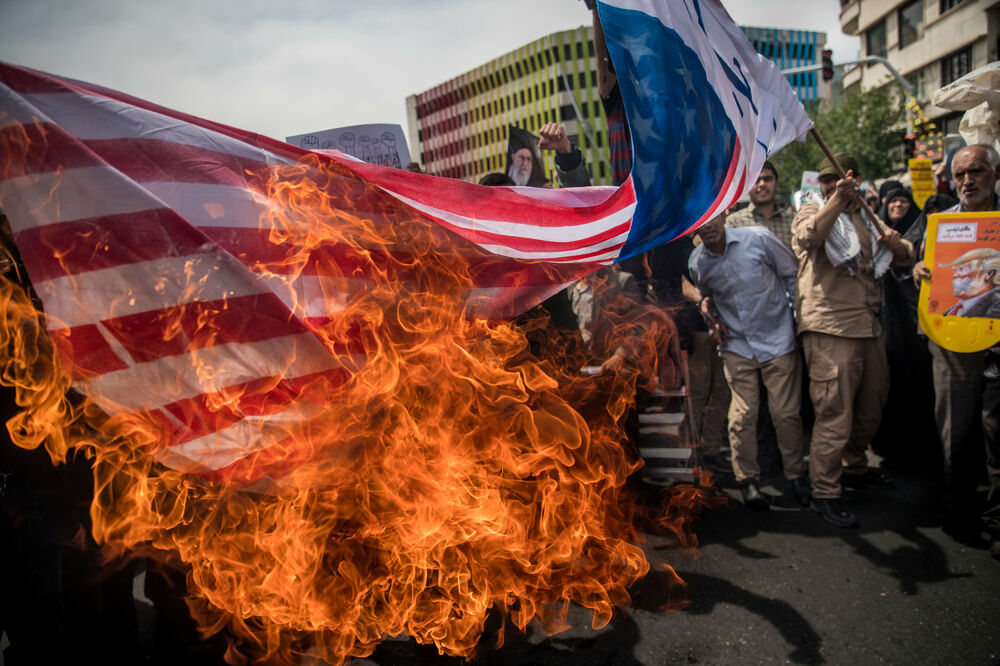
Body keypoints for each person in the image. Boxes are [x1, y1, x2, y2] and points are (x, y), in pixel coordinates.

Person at [793, 153, 913, 527]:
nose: (832, 184)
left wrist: (896, 245)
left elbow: (906, 254)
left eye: (840, 179)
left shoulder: (866, 215)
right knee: (835, 415)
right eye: (827, 179)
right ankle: (825, 491)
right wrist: (835, 201)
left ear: (857, 180)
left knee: (871, 408)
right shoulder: (812, 208)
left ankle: (855, 467)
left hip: (868, 325)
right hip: (830, 328)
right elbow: (809, 236)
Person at [913, 144, 1000, 555]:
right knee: (956, 431)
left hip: (997, 343)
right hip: (952, 343)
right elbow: (922, 268)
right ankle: (959, 510)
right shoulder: (940, 225)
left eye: (976, 171)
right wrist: (919, 270)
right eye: (960, 174)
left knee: (997, 432)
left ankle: (996, 520)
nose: (967, 181)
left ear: (995, 174)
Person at [689, 213, 809, 509]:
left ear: (725, 214)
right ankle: (747, 480)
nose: (708, 224)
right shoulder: (698, 262)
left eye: (714, 216)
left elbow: (792, 274)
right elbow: (706, 295)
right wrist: (709, 314)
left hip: (778, 337)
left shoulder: (758, 239)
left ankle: (796, 475)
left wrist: (798, 319)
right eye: (701, 219)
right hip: (737, 344)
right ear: (693, 226)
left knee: (785, 414)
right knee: (742, 415)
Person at [726, 161, 795, 251]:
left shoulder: (793, 220)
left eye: (767, 179)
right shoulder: (734, 222)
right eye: (756, 180)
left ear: (777, 184)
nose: (762, 184)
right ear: (747, 187)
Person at [940, 248, 1000, 317]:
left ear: (989, 274)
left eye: (964, 269)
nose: (955, 275)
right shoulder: (964, 302)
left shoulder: (996, 307)